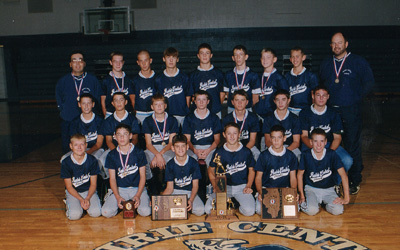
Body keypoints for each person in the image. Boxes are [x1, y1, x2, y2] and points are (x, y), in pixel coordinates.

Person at [319, 32, 374, 195]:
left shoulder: (358, 61)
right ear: (331, 45)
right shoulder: (326, 63)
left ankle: (354, 179)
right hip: (331, 112)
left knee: (352, 146)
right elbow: (322, 84)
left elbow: (369, 82)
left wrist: (355, 98)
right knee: (330, 145)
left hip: (351, 110)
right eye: (334, 43)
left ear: (346, 44)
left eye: (340, 43)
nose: (337, 46)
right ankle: (330, 178)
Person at [299, 85, 352, 187]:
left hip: (329, 145)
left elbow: (337, 138)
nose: (321, 98)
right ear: (313, 96)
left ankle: (334, 183)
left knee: (347, 160)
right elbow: (304, 136)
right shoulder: (305, 113)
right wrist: (315, 149)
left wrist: (328, 153)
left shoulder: (333, 114)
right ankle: (309, 186)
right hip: (311, 145)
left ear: (328, 97)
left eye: (324, 96)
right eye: (318, 95)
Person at [205, 122, 256, 216]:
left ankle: (235, 205)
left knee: (249, 211)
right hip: (224, 187)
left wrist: (248, 185)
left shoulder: (246, 152)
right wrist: (215, 185)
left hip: (241, 187)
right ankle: (229, 203)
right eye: (229, 134)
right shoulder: (219, 152)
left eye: (235, 133)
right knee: (208, 209)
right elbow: (211, 170)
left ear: (239, 134)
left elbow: (251, 170)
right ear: (224, 135)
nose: (232, 136)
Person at [56, 50, 101, 153]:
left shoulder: (92, 80)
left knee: (89, 147)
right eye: (74, 61)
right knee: (68, 149)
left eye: (80, 60)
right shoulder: (63, 81)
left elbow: (97, 99)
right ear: (70, 64)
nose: (77, 63)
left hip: (88, 122)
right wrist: (63, 111)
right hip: (68, 119)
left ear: (84, 63)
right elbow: (59, 99)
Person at [101, 123, 151, 218]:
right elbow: (112, 179)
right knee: (106, 212)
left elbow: (143, 176)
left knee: (145, 211)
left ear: (131, 136)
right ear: (114, 137)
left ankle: (133, 204)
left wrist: (138, 195)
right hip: (120, 189)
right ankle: (121, 205)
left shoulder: (139, 152)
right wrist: (117, 196)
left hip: (137, 188)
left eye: (125, 134)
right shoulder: (112, 155)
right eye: (119, 134)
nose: (122, 137)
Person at [297, 128, 350, 216]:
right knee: (312, 211)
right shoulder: (305, 155)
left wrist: (346, 198)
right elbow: (299, 175)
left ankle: (325, 204)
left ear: (325, 142)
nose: (318, 144)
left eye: (321, 141)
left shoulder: (331, 154)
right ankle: (306, 204)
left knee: (338, 210)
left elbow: (343, 175)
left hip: (328, 189)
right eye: (315, 141)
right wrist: (302, 195)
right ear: (311, 142)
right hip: (311, 188)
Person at [254, 125, 298, 215]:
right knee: (259, 210)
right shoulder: (264, 156)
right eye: (273, 138)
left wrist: (293, 191)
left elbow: (293, 177)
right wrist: (260, 192)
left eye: (279, 137)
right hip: (267, 189)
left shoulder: (291, 156)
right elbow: (258, 178)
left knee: (294, 210)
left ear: (284, 138)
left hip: (284, 189)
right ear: (270, 139)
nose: (276, 141)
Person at [142, 93, 179, 195]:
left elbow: (171, 142)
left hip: (167, 148)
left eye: (161, 104)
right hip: (152, 149)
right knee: (143, 158)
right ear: (152, 107)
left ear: (165, 106)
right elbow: (148, 144)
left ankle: (170, 185)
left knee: (174, 158)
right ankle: (149, 184)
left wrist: (160, 154)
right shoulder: (147, 121)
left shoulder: (172, 120)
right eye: (156, 104)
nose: (159, 107)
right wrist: (157, 155)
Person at [60, 133, 101, 220]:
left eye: (82, 144)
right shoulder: (66, 162)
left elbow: (93, 184)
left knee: (96, 213)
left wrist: (88, 198)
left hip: (89, 191)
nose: (79, 147)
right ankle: (70, 202)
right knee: (74, 216)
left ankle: (84, 205)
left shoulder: (92, 160)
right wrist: (81, 199)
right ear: (71, 146)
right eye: (76, 145)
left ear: (86, 145)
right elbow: (69, 186)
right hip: (74, 192)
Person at [100, 92, 141, 178]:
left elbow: (135, 139)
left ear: (125, 102)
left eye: (121, 100)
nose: (119, 103)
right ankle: (110, 184)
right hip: (114, 149)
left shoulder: (133, 119)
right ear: (112, 103)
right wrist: (117, 152)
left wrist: (127, 151)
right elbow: (109, 140)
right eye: (116, 100)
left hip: (130, 149)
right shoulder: (108, 121)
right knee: (102, 159)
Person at [163, 134, 205, 216]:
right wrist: (158, 200)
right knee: (164, 207)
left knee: (200, 211)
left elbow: (195, 186)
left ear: (187, 147)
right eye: (177, 146)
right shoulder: (170, 164)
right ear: (172, 148)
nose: (180, 149)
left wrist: (191, 200)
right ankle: (182, 208)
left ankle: (186, 207)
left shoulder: (193, 163)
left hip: (190, 192)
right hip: (175, 192)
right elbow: (170, 188)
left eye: (183, 146)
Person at [60, 93, 105, 164]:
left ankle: (98, 175)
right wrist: (80, 153)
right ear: (79, 104)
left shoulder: (100, 121)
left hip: (96, 149)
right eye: (83, 103)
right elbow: (74, 142)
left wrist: (87, 153)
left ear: (93, 104)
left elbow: (98, 144)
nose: (86, 106)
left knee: (94, 160)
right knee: (64, 159)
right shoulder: (75, 122)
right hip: (80, 149)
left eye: (89, 103)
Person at [182, 90, 222, 167]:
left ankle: (211, 179)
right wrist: (195, 151)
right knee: (186, 161)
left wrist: (208, 150)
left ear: (208, 101)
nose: (201, 102)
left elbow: (217, 140)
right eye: (198, 100)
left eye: (204, 100)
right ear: (194, 101)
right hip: (193, 147)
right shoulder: (189, 118)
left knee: (215, 162)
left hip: (210, 147)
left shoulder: (214, 118)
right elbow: (187, 140)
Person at [155, 47, 193, 126]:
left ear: (177, 59)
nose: (171, 60)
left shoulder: (184, 77)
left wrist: (185, 111)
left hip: (182, 115)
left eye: (174, 57)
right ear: (164, 59)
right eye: (168, 57)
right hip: (166, 116)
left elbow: (188, 96)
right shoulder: (159, 79)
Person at [189, 43, 225, 118]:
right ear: (198, 56)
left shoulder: (218, 73)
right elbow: (192, 97)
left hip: (215, 112)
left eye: (207, 53)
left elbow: (222, 94)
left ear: (211, 55)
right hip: (199, 113)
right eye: (202, 53)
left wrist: (216, 107)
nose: (204, 56)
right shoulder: (193, 75)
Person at [222, 90, 261, 160]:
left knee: (258, 156)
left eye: (242, 100)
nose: (239, 103)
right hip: (231, 146)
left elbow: (252, 140)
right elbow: (226, 140)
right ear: (232, 102)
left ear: (247, 102)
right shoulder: (227, 119)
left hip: (249, 146)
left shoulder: (253, 117)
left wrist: (242, 152)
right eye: (237, 100)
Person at [262, 89, 301, 158]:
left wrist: (285, 151)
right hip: (273, 146)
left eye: (283, 100)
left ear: (288, 100)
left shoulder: (295, 119)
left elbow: (296, 142)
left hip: (289, 147)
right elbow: (268, 141)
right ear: (274, 101)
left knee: (298, 155)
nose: (280, 103)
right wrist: (276, 151)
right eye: (277, 100)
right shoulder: (268, 118)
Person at [224, 45, 261, 113]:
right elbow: (227, 94)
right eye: (236, 55)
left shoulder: (253, 75)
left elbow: (255, 98)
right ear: (233, 58)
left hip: (247, 109)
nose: (238, 57)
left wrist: (244, 107)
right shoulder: (228, 75)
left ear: (246, 57)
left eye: (241, 54)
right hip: (232, 109)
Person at [253, 48, 289, 119]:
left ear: (274, 59)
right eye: (263, 58)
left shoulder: (279, 78)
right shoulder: (258, 77)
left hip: (273, 115)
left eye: (268, 57)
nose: (265, 60)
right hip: (259, 115)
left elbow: (286, 98)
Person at [285, 46, 319, 115]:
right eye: (293, 57)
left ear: (303, 57)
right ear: (290, 59)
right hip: (290, 110)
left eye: (297, 56)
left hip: (306, 110)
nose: (295, 59)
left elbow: (315, 96)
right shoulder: (286, 76)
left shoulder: (311, 76)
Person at [101, 51, 135, 118]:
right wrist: (106, 116)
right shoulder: (105, 80)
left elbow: (132, 100)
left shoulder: (129, 80)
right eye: (115, 61)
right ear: (110, 62)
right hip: (111, 113)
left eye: (120, 61)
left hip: (126, 114)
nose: (118, 64)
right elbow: (103, 102)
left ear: (123, 63)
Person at [132, 50, 156, 124]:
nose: (144, 63)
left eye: (146, 60)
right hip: (140, 114)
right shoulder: (134, 80)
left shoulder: (158, 78)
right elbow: (133, 100)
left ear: (150, 60)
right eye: (141, 61)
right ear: (138, 63)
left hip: (155, 112)